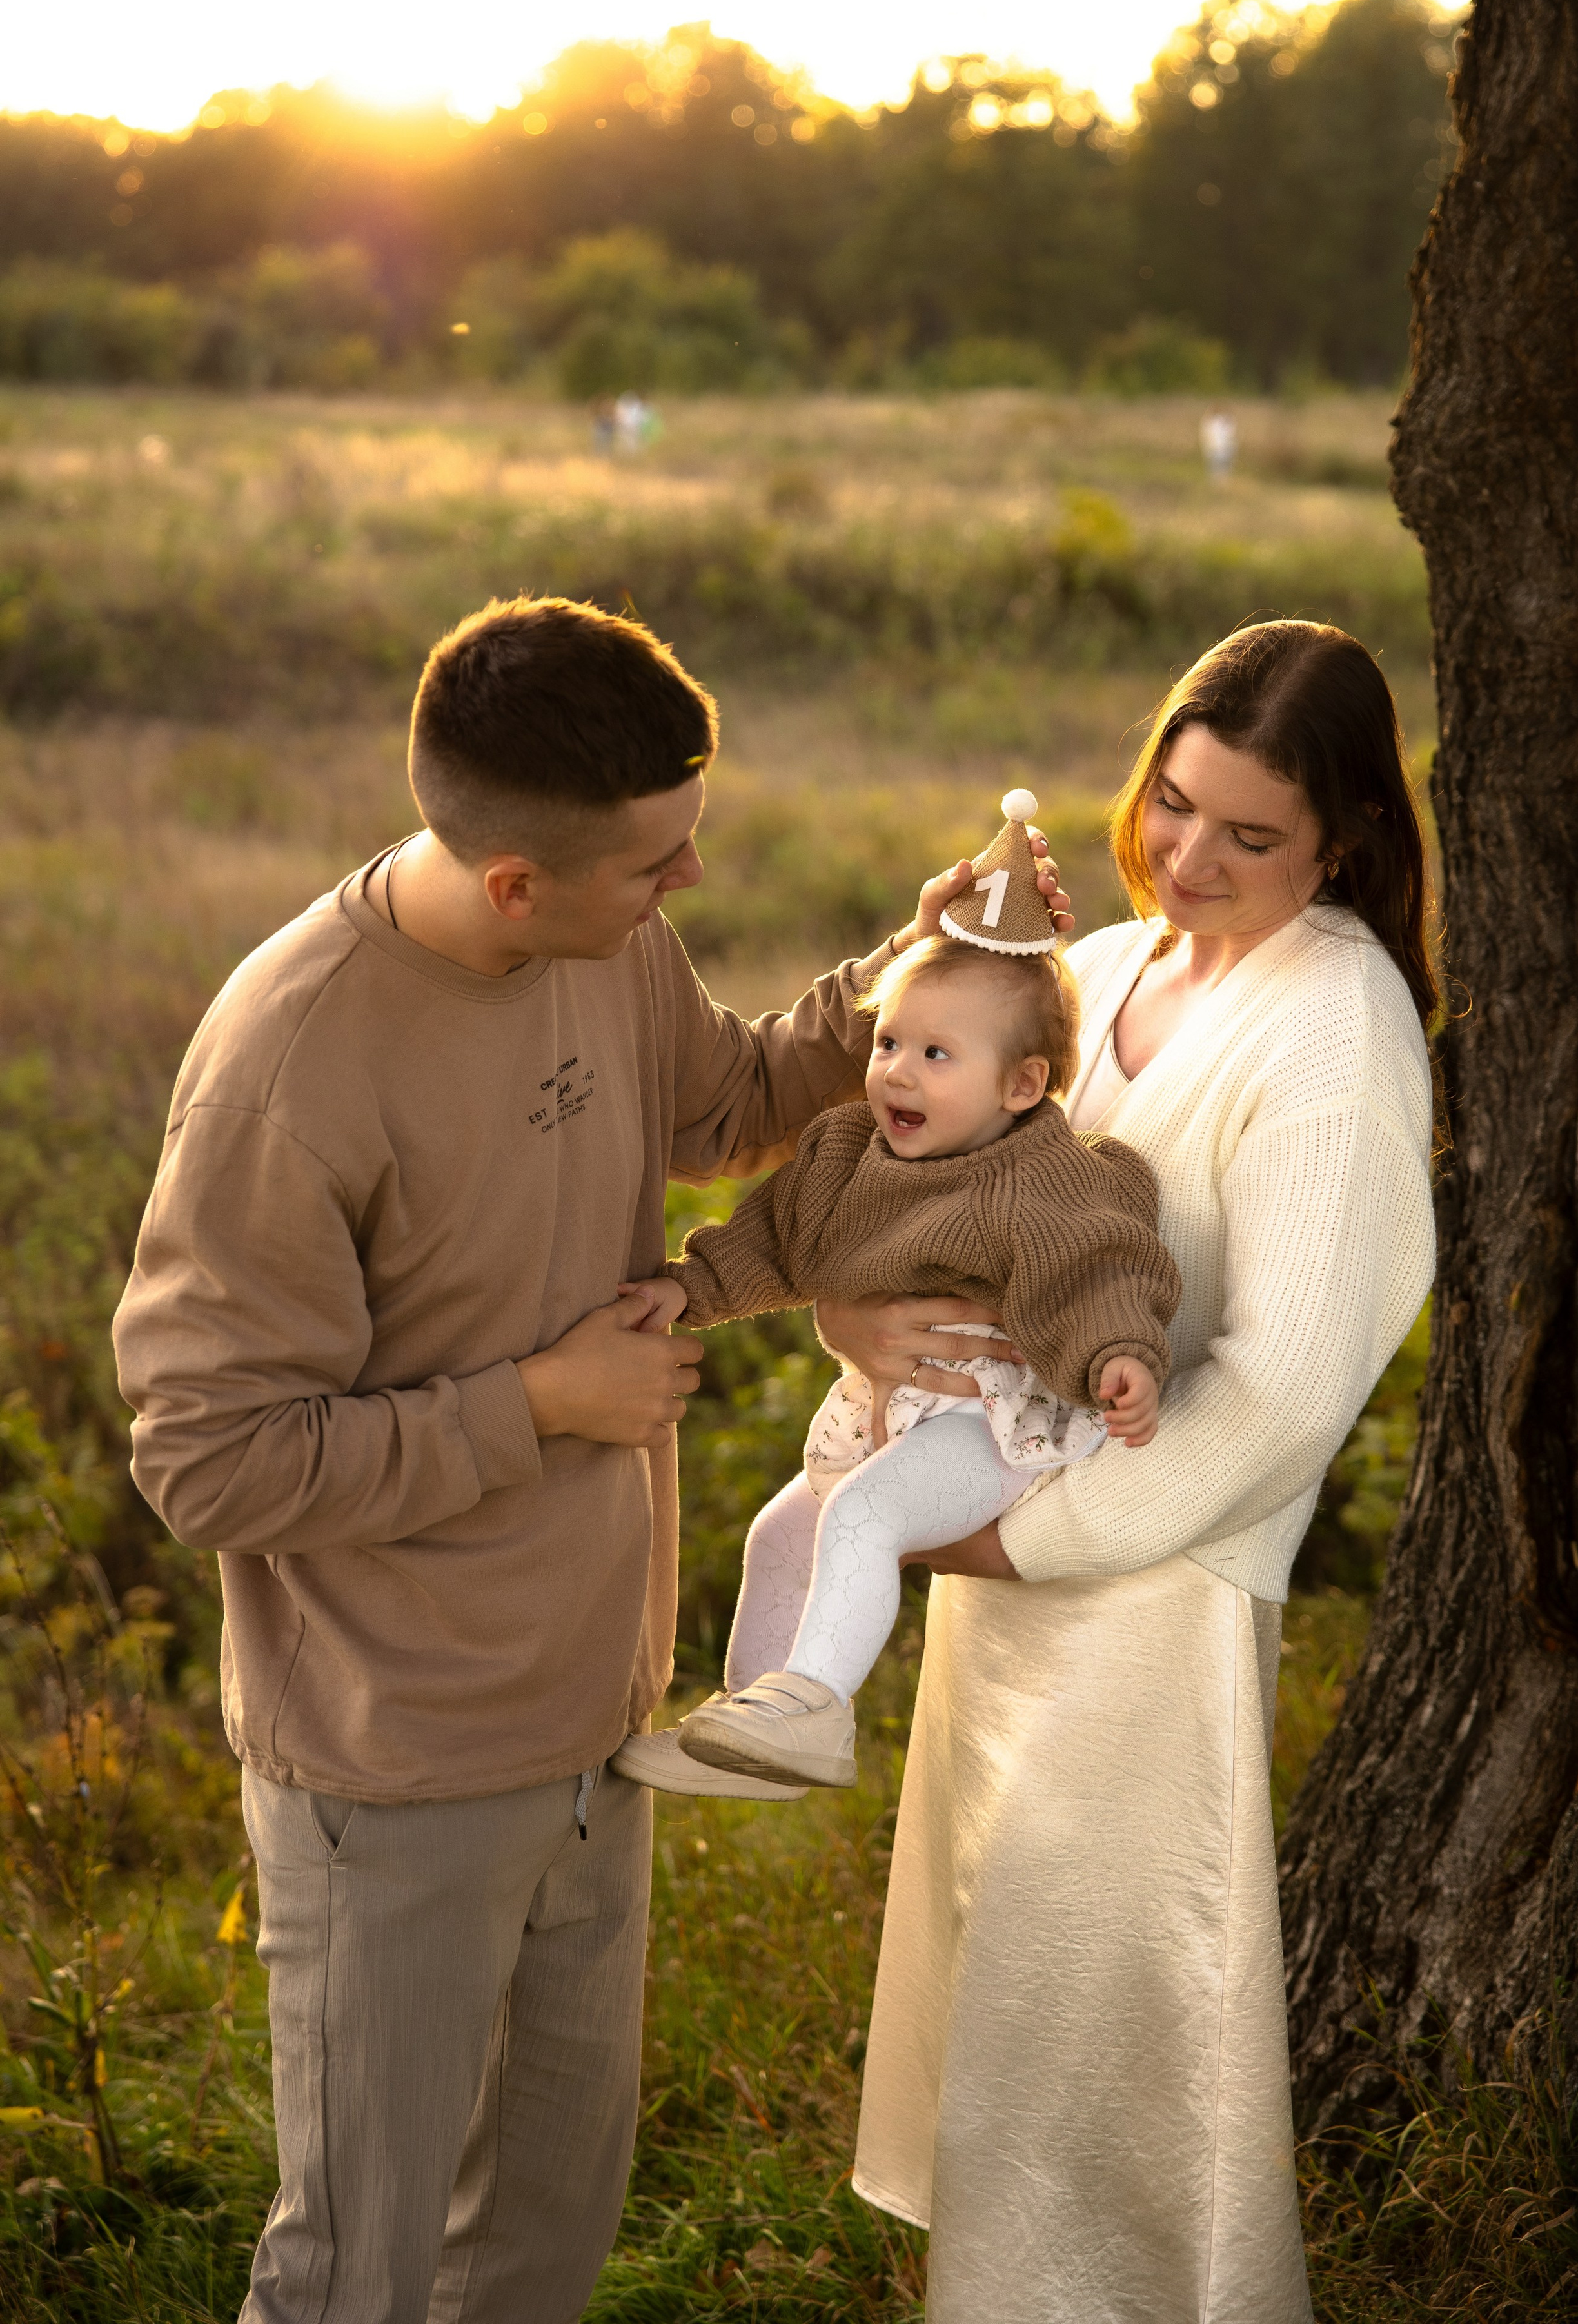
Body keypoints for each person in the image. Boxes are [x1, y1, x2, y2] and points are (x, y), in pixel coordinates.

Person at [111, 593, 1070, 2324]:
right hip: (396, 1767)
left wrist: (911, 975)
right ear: (511, 885)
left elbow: (724, 1102)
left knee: (542, 2237)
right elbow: (207, 1463)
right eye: (654, 867)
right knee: (357, 2267)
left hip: (595, 1730)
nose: (684, 889)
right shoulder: (294, 1068)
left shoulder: (604, 946)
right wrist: (541, 1403)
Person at [818, 620, 1438, 2324]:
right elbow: (939, 1174)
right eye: (1174, 805)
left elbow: (1292, 1384)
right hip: (998, 1552)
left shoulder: (1341, 1025)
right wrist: (872, 1334)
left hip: (1147, 1591)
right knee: (996, 2005)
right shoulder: (1105, 978)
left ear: (1345, 842)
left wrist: (1039, 1541)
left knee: (1093, 2043)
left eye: (1252, 835)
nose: (1192, 857)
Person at [613, 801, 1178, 1793]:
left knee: (867, 1514)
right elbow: (777, 1242)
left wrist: (1118, 1356)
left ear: (1022, 1085)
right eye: (889, 1045)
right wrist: (687, 1288)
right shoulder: (846, 1153)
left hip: (989, 1428)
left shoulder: (1045, 1179)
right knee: (782, 1532)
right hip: (890, 1413)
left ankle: (818, 1712)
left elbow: (1102, 1273)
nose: (895, 1075)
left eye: (936, 1056)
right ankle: (757, 1725)